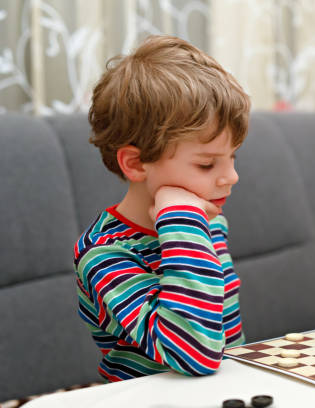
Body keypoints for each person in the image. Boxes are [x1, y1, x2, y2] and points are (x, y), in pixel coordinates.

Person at [74, 35, 250, 381]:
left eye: (233, 157)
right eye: (206, 165)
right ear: (137, 164)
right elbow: (195, 354)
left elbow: (228, 344)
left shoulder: (209, 222)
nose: (232, 176)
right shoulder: (105, 255)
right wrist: (181, 222)